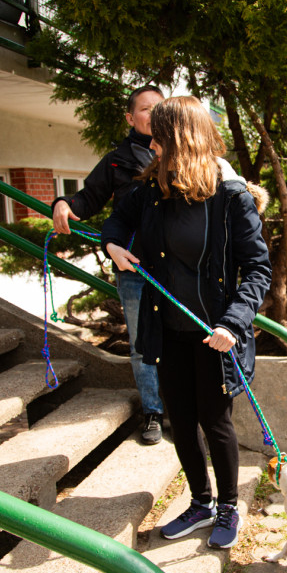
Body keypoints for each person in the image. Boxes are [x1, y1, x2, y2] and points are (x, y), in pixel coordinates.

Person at [101, 96, 271, 549]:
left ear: (179, 138)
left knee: (216, 422)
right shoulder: (151, 189)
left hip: (216, 335)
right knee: (181, 418)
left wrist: (233, 324)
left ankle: (229, 508)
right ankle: (201, 504)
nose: (150, 143)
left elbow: (258, 269)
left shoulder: (230, 196)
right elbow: (115, 224)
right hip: (167, 330)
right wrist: (113, 246)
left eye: (157, 136)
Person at [52, 84, 167, 444]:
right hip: (132, 266)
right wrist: (63, 203)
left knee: (180, 337)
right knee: (142, 344)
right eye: (145, 109)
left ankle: (183, 409)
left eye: (159, 108)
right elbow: (89, 199)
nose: (153, 114)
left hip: (176, 266)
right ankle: (153, 412)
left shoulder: (183, 153)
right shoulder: (116, 160)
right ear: (131, 118)